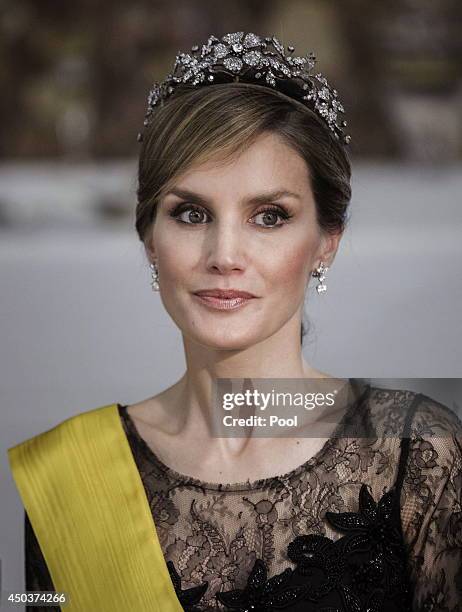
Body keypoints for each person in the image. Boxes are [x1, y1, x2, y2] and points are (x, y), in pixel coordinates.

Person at [8, 32, 462, 612]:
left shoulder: (419, 452)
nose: (224, 254)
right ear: (149, 239)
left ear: (327, 241)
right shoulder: (67, 480)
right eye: (191, 213)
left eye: (269, 216)